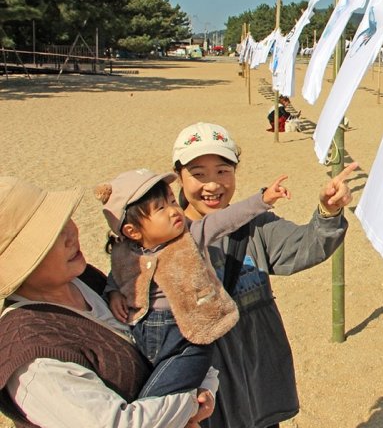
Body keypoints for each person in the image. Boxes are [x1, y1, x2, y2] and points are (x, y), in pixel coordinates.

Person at [171, 122, 355, 428]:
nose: (212, 186)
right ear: (178, 176)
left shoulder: (254, 227)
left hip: (255, 376)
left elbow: (306, 246)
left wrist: (327, 212)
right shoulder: (164, 241)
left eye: (222, 171)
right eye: (198, 173)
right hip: (203, 392)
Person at [0, 176, 216, 428]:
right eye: (53, 235)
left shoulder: (86, 280)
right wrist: (189, 402)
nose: (72, 233)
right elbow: (117, 426)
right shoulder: (33, 358)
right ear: (24, 263)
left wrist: (205, 386)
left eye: (64, 221)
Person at [98, 168, 289, 412]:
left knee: (160, 394)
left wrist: (262, 199)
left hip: (187, 337)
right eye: (160, 208)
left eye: (170, 200)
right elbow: (117, 277)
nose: (174, 209)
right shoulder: (124, 252)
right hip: (142, 333)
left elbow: (224, 220)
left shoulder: (190, 237)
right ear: (132, 232)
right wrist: (112, 293)